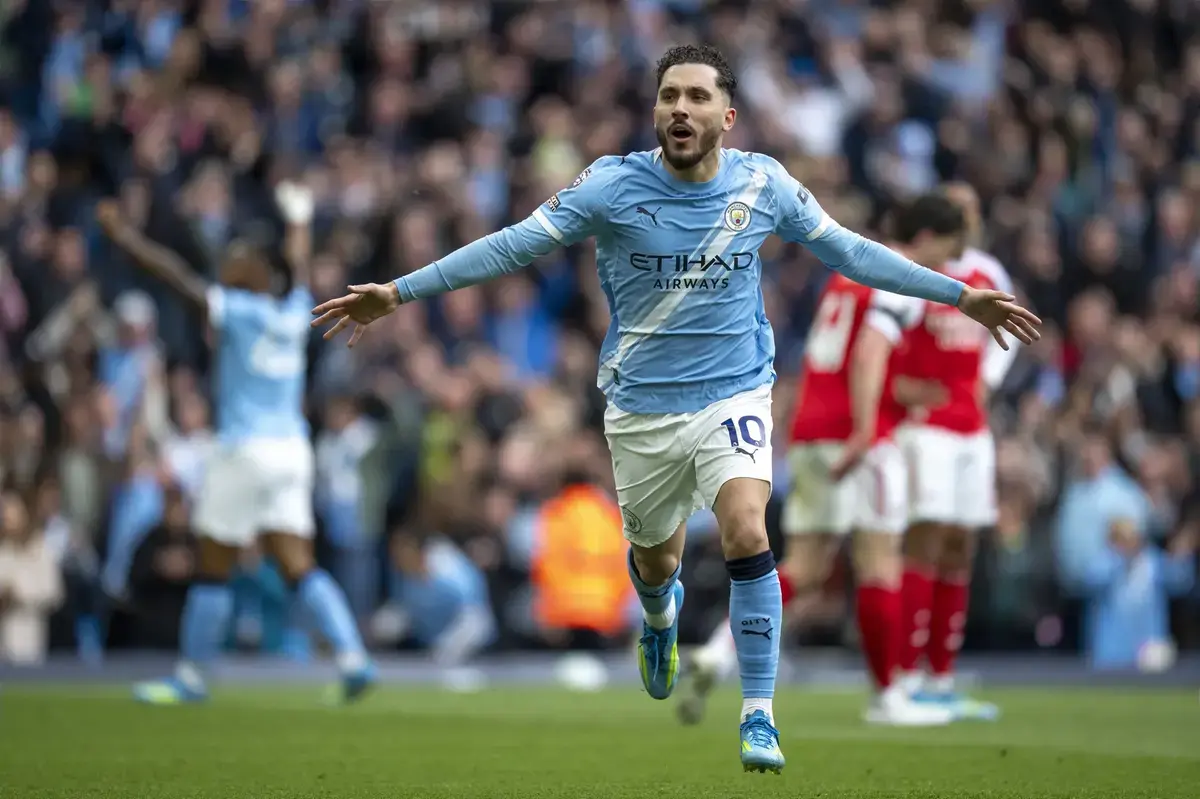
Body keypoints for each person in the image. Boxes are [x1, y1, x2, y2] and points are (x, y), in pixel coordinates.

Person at [311, 45, 1040, 773]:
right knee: (657, 561)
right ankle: (660, 615)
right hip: (641, 410)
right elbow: (511, 247)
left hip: (735, 391)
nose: (680, 109)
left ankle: (758, 714)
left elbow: (850, 251)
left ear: (727, 115)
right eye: (668, 96)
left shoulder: (764, 183)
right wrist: (398, 292)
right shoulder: (611, 185)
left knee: (748, 525)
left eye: (696, 97)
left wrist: (958, 295)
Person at [679, 194, 967, 728]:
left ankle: (719, 650)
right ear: (927, 238)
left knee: (806, 567)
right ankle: (888, 698)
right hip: (856, 435)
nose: (948, 265)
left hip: (811, 429)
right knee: (880, 560)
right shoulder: (898, 276)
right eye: (948, 251)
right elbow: (870, 352)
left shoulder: (848, 274)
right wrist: (865, 429)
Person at [94, 182, 375, 705]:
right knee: (299, 565)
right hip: (291, 452)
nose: (233, 260)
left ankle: (191, 679)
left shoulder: (241, 310)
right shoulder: (293, 311)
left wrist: (124, 237)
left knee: (212, 567)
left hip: (244, 448)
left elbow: (175, 277)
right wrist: (299, 221)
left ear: (260, 274)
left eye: (242, 257)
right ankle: (353, 657)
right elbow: (298, 269)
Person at [891, 184, 1017, 720]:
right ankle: (905, 674)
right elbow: (887, 335)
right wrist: (899, 387)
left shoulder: (988, 271)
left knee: (961, 545)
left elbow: (1012, 329)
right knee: (926, 539)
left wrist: (988, 379)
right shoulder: (918, 272)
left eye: (972, 209)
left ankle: (941, 678)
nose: (967, 218)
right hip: (926, 428)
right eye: (957, 210)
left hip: (972, 426)